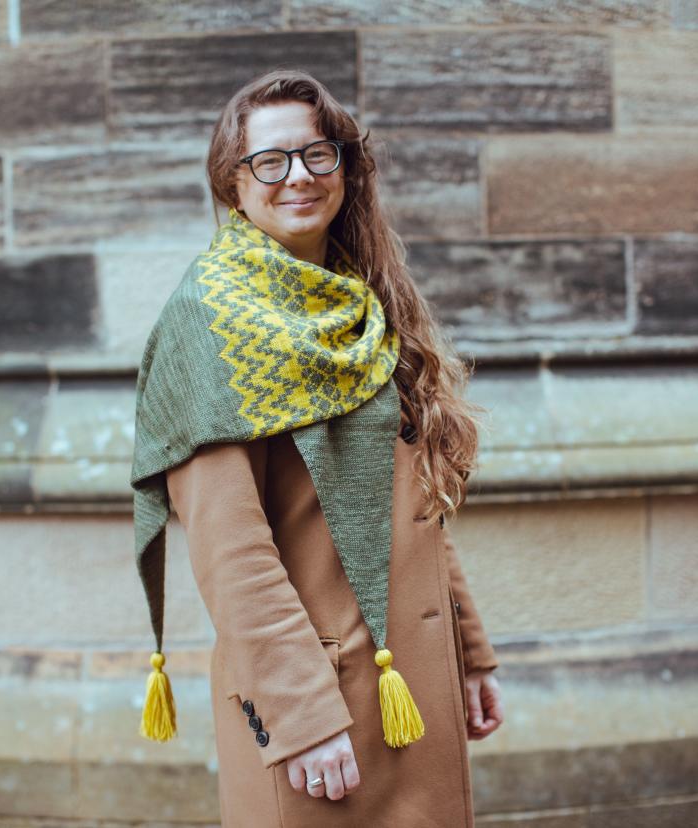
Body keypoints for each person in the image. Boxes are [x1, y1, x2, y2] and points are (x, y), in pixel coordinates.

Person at [130, 69, 504, 827]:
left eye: (317, 154)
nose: (298, 176)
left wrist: (467, 649)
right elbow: (231, 550)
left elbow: (409, 498)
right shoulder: (207, 323)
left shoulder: (355, 301)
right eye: (270, 161)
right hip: (320, 709)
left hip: (408, 685)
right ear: (232, 184)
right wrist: (300, 715)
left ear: (345, 166)